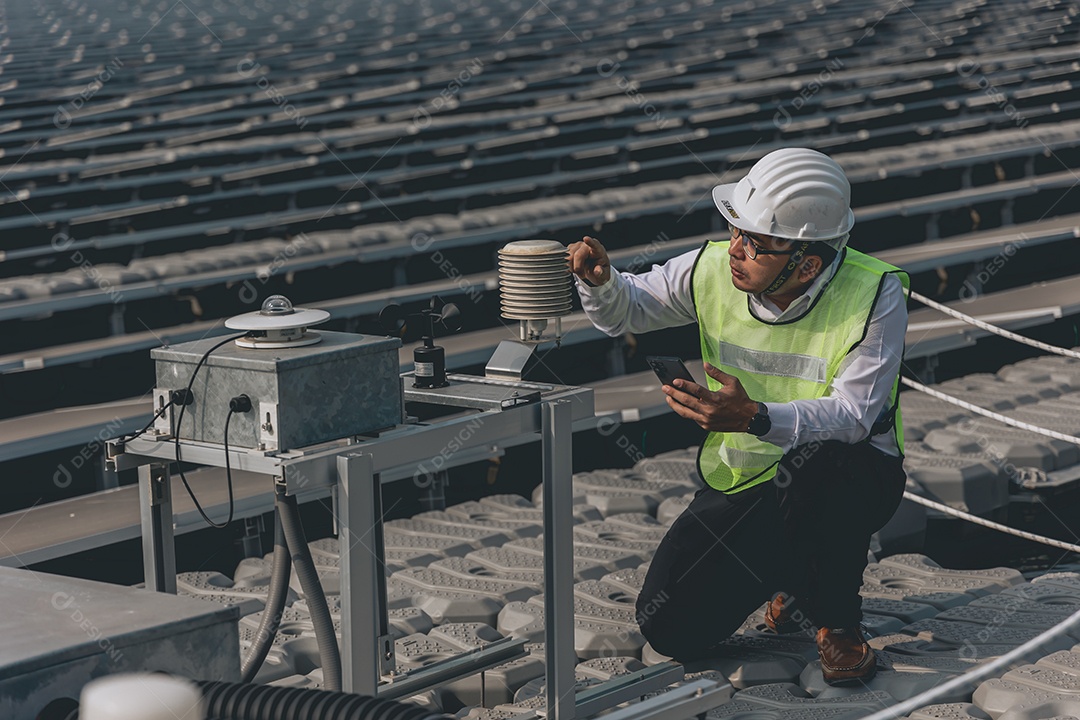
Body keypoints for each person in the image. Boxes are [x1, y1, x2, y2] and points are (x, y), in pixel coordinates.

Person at [567, 148, 909, 685]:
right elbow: (629, 309)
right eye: (734, 231)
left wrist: (754, 417)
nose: (737, 249)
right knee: (672, 625)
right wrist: (601, 282)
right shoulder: (710, 267)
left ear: (809, 263)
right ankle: (790, 576)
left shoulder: (875, 293)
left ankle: (837, 621)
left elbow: (855, 415)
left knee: (824, 464)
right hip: (750, 479)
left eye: (756, 242)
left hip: (850, 474)